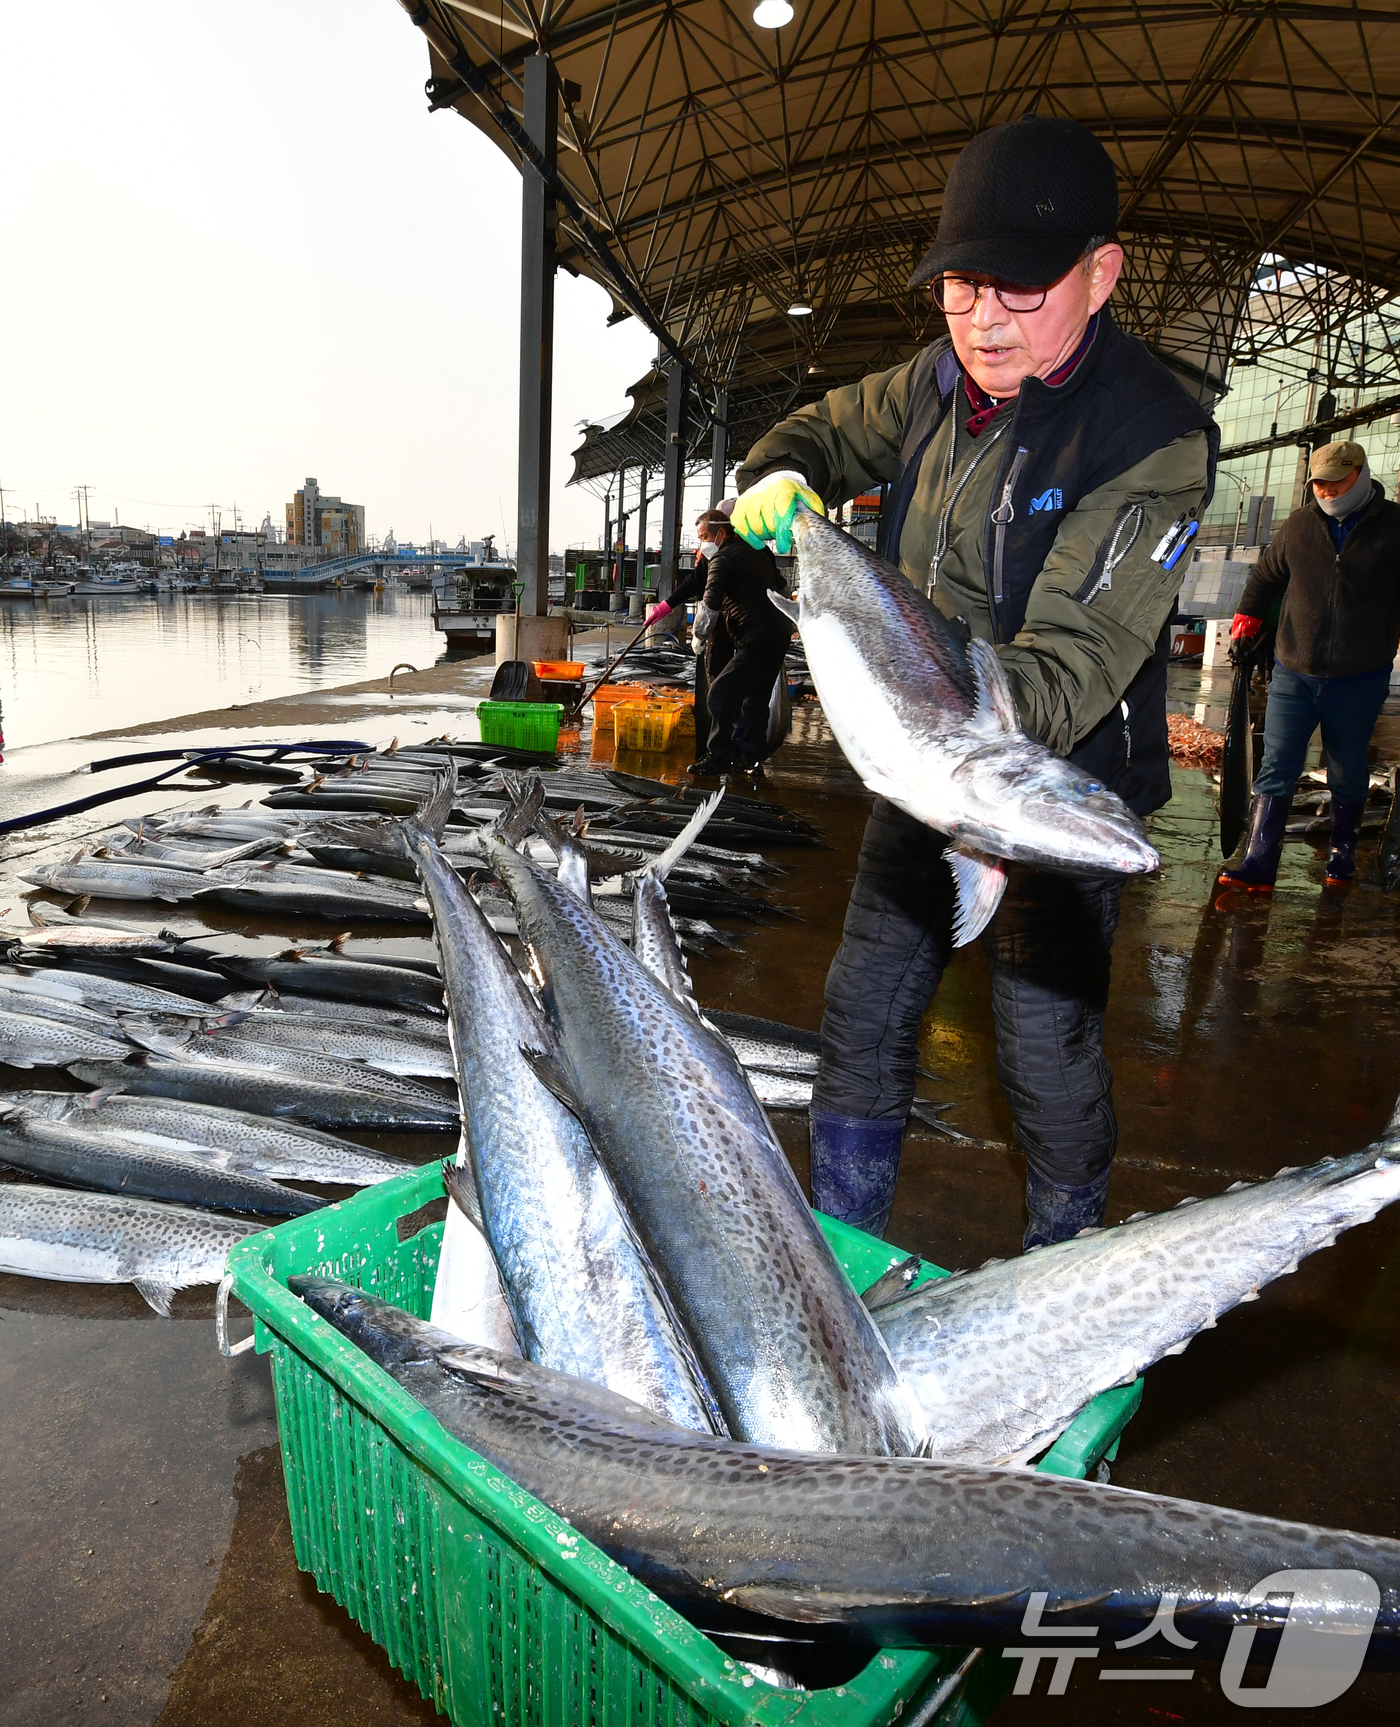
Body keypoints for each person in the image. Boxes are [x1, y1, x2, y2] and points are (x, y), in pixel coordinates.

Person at [728, 112, 1218, 1247]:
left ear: (1100, 274)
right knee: (860, 1016)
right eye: (958, 286)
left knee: (1042, 1055)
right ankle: (839, 1264)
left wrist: (935, 738)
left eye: (1019, 287)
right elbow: (814, 430)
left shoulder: (1150, 438)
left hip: (1038, 771)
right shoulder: (935, 380)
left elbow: (1063, 673)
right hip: (919, 764)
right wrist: (780, 473)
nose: (983, 319)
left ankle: (1062, 1272)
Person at [1220, 439, 1400, 892]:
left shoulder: (1395, 526)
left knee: (1346, 767)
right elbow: (1266, 575)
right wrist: (1249, 615)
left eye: (1337, 481)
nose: (1327, 491)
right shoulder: (1300, 525)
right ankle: (1259, 862)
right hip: (1294, 669)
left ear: (1361, 474)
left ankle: (1342, 856)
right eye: (1319, 483)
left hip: (1360, 674)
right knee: (1276, 765)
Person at [645, 509, 793, 773]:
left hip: (755, 636)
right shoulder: (757, 550)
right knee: (756, 699)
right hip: (778, 634)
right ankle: (752, 759)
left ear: (721, 533)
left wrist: (698, 636)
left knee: (719, 696)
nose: (702, 543)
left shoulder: (722, 559)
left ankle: (719, 757)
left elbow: (711, 605)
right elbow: (780, 586)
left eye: (704, 536)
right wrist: (666, 606)